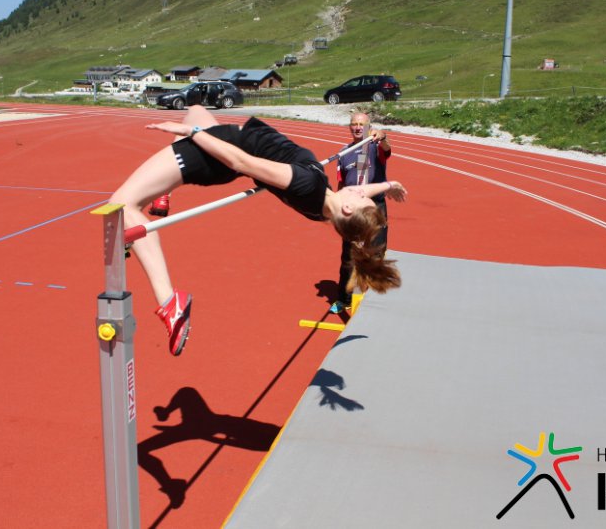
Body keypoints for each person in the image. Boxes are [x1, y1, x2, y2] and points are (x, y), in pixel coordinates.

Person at [109, 105, 407, 356]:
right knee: (196, 109)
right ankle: (161, 196)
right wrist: (388, 184)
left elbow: (240, 161)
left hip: (219, 151)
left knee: (120, 205)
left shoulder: (306, 183)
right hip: (232, 139)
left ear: (348, 208)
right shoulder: (324, 209)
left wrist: (193, 133)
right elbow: (360, 192)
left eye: (361, 196)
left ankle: (168, 302)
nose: (360, 190)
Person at [331, 111, 392, 314]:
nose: (358, 127)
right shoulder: (344, 152)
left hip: (374, 207)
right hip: (352, 208)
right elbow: (341, 183)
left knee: (376, 254)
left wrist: (381, 135)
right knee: (349, 257)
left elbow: (386, 147)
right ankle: (344, 299)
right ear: (350, 127)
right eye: (354, 124)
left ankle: (374, 301)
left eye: (362, 124)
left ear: (368, 126)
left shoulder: (375, 147)